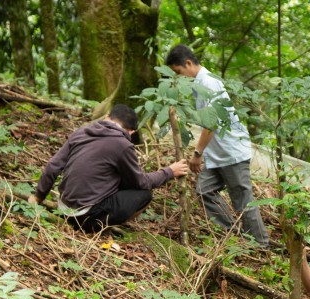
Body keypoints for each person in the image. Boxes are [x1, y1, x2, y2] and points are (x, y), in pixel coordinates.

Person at [164, 44, 269, 248]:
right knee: (205, 191)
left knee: (243, 202)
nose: (180, 78)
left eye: (179, 72)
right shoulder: (199, 83)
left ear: (188, 63)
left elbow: (210, 123)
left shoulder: (209, 84)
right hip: (218, 154)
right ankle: (235, 234)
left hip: (231, 152)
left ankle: (261, 245)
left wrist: (197, 152)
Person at [29, 104, 188, 233]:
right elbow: (140, 182)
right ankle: (101, 227)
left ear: (107, 117)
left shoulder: (81, 132)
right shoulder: (123, 145)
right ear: (131, 132)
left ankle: (95, 222)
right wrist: (170, 171)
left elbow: (53, 166)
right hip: (86, 216)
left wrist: (38, 197)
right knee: (144, 194)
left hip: (63, 209)